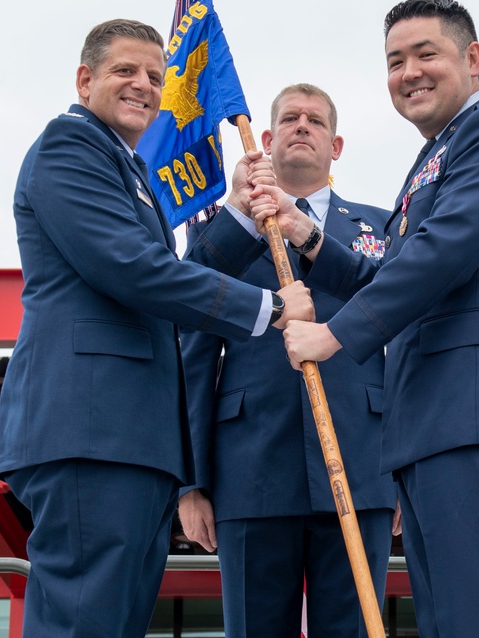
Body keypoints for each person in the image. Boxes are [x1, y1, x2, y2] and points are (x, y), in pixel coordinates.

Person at [0, 18, 313, 638]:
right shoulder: (69, 147)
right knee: (84, 620)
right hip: (90, 431)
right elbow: (133, 271)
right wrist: (271, 309)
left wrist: (241, 214)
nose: (143, 85)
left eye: (154, 77)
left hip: (130, 440)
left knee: (114, 621)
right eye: (124, 71)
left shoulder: (127, 167)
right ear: (85, 80)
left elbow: (167, 271)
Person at [263, 0, 479, 637]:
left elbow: (441, 253)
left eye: (426, 54)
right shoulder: (436, 154)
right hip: (432, 420)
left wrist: (335, 334)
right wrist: (309, 239)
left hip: (475, 410)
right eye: (395, 61)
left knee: (475, 616)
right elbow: (398, 271)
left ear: (472, 58)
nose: (409, 72)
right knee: (446, 621)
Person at [178, 84, 396, 638]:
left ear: (336, 145)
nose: (303, 126)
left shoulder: (380, 227)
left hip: (362, 464)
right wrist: (191, 482)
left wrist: (402, 473)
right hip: (250, 469)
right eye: (290, 119)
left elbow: (405, 343)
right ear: (267, 140)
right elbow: (193, 345)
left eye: (316, 120)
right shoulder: (223, 229)